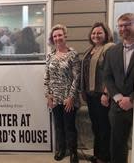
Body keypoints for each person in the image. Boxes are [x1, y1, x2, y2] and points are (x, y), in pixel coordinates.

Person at [44, 24, 80, 163]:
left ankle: (73, 152)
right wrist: (48, 95)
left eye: (60, 35)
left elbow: (77, 77)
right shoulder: (50, 56)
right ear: (52, 39)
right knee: (58, 125)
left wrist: (71, 97)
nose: (57, 38)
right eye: (55, 36)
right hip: (54, 98)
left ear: (65, 36)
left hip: (68, 98)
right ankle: (61, 149)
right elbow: (46, 77)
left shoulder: (73, 54)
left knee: (69, 126)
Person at [80, 22, 115, 163]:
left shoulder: (109, 48)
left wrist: (107, 94)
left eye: (99, 33)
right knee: (96, 126)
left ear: (106, 34)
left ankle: (105, 157)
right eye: (94, 33)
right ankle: (98, 154)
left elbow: (111, 72)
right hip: (91, 95)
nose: (96, 35)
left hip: (102, 95)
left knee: (104, 127)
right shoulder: (91, 49)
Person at [104, 13, 134, 163]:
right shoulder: (112, 52)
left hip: (132, 101)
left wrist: (132, 99)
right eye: (121, 26)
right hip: (118, 106)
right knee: (117, 146)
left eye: (128, 24)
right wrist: (117, 97)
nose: (123, 28)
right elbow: (107, 77)